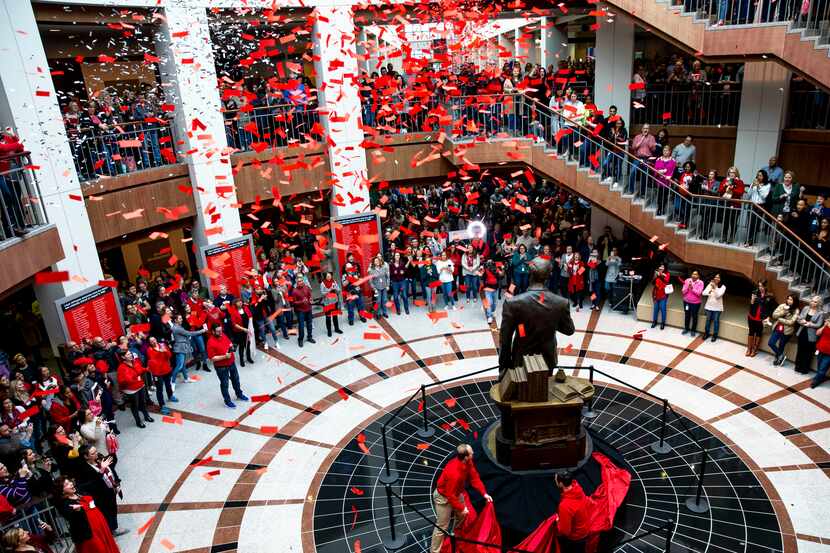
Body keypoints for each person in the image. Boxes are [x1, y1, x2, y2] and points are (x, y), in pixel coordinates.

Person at [499, 258, 575, 377]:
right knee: (544, 391)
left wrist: (503, 368)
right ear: (549, 275)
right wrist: (551, 320)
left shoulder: (513, 303)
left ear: (530, 273)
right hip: (548, 358)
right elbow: (569, 330)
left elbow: (505, 340)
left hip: (521, 359)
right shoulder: (561, 302)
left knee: (523, 393)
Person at [429, 444, 493, 553]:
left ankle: (455, 534)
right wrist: (462, 507)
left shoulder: (468, 462)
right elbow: (450, 495)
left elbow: (475, 478)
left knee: (462, 515)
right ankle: (434, 551)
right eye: (471, 452)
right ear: (466, 457)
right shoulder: (454, 472)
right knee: (442, 526)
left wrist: (484, 494)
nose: (473, 453)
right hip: (443, 498)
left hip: (456, 493)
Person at [54, 476, 120, 553]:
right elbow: (70, 518)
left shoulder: (78, 492)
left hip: (100, 525)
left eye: (70, 482)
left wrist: (101, 473)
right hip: (89, 532)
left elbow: (93, 483)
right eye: (67, 484)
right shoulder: (65, 504)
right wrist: (77, 512)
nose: (71, 484)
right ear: (62, 491)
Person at [76, 445, 122, 535]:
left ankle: (113, 527)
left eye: (96, 451)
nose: (96, 454)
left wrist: (116, 483)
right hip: (100, 496)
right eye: (93, 453)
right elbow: (90, 485)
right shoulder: (84, 469)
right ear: (86, 456)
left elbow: (111, 469)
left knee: (113, 509)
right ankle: (111, 530)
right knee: (107, 512)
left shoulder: (99, 458)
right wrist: (101, 470)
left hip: (110, 490)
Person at [205, 326, 249, 408]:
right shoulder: (210, 342)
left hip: (231, 363)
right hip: (221, 367)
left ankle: (239, 394)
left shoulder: (223, 335)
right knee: (225, 384)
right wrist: (224, 357)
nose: (220, 332)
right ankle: (227, 401)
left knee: (236, 379)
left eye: (221, 330)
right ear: (213, 332)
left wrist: (232, 347)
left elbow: (229, 343)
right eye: (218, 331)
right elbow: (212, 358)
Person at [555, 472, 591, 553]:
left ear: (561, 484)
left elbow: (565, 532)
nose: (555, 481)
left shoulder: (565, 506)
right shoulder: (577, 488)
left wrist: (557, 520)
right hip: (584, 531)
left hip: (576, 539)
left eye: (555, 480)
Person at [115, 352, 152, 429]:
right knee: (135, 406)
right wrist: (129, 378)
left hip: (140, 385)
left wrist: (146, 369)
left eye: (130, 353)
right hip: (131, 390)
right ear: (123, 357)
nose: (130, 355)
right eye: (128, 354)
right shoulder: (121, 367)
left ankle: (146, 416)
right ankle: (138, 421)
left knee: (143, 402)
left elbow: (140, 369)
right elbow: (121, 380)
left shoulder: (135, 362)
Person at [169, 313, 205, 382]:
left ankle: (186, 378)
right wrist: (202, 331)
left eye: (181, 318)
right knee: (179, 366)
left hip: (181, 347)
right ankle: (172, 381)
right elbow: (189, 333)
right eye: (180, 319)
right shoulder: (177, 328)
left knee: (182, 365)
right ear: (176, 320)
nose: (181, 320)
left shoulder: (177, 327)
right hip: (180, 348)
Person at [145, 337, 176, 415]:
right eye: (151, 341)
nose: (153, 342)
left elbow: (169, 355)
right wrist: (159, 352)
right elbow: (153, 359)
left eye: (154, 340)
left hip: (166, 369)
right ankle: (162, 405)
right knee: (159, 389)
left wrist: (165, 351)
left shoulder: (162, 345)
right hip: (157, 372)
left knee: (168, 384)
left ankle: (170, 396)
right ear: (150, 343)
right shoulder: (149, 350)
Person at [766, 294, 799, 367]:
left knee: (781, 345)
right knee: (771, 343)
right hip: (778, 328)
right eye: (788, 299)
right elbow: (774, 315)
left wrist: (780, 319)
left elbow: (791, 322)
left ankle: (778, 358)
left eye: (791, 300)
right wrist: (783, 312)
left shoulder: (796, 310)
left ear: (795, 301)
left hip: (787, 331)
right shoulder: (782, 306)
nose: (789, 301)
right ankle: (781, 356)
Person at [794, 296, 824, 374]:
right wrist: (802, 321)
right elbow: (799, 318)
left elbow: (819, 325)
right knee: (800, 350)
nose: (813, 303)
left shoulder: (820, 313)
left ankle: (804, 369)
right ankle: (797, 367)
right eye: (812, 301)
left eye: (815, 302)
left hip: (811, 335)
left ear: (819, 303)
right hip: (802, 332)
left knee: (808, 353)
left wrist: (809, 324)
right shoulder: (806, 308)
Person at [746, 282, 772, 357]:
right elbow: (751, 304)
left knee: (758, 333)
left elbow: (770, 309)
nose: (760, 288)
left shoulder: (769, 296)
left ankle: (754, 349)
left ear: (766, 287)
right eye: (759, 286)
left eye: (762, 286)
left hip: (761, 319)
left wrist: (768, 317)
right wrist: (752, 300)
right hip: (752, 316)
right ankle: (749, 349)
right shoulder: (755, 293)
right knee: (751, 332)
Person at [228, 299, 255, 367]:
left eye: (241, 301)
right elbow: (234, 324)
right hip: (239, 332)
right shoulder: (233, 312)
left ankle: (249, 358)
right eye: (238, 302)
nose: (240, 302)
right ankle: (241, 360)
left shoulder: (245, 308)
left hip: (247, 330)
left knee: (248, 345)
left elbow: (250, 317)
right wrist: (243, 329)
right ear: (235, 304)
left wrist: (251, 327)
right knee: (242, 346)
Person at [291, 277, 315, 347]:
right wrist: (301, 302)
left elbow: (310, 296)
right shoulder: (294, 291)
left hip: (308, 309)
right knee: (301, 326)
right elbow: (294, 303)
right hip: (300, 311)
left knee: (309, 324)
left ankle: (309, 337)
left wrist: (311, 300)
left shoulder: (307, 287)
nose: (300, 282)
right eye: (299, 281)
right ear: (296, 283)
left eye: (301, 281)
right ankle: (300, 339)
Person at [702, 274, 725, 342]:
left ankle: (715, 335)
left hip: (717, 308)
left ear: (721, 279)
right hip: (709, 306)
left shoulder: (723, 287)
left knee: (716, 321)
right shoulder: (710, 284)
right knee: (708, 321)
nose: (716, 278)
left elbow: (718, 296)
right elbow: (703, 293)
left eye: (718, 277)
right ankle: (706, 333)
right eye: (715, 277)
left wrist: (714, 288)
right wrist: (709, 290)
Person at [320, 272, 344, 337]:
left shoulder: (334, 281)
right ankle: (329, 331)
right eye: (328, 276)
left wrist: (336, 289)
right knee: (328, 318)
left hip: (334, 301)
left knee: (335, 316)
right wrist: (329, 290)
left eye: (330, 276)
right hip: (327, 303)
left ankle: (337, 329)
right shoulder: (322, 284)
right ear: (325, 277)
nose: (329, 277)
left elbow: (339, 290)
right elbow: (322, 293)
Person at [681, 270, 704, 336]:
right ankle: (686, 328)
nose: (694, 275)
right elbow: (683, 292)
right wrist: (688, 288)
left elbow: (699, 293)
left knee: (694, 316)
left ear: (698, 276)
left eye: (696, 274)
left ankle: (693, 330)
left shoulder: (701, 283)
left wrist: (692, 288)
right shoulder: (687, 280)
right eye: (693, 274)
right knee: (687, 315)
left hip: (695, 303)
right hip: (686, 302)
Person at [481, 259, 502, 324]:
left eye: (490, 264)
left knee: (494, 303)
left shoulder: (497, 270)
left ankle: (492, 311)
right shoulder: (485, 270)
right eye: (488, 264)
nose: (489, 265)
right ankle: (489, 316)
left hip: (495, 289)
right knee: (489, 302)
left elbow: (500, 277)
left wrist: (502, 271)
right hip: (488, 289)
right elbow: (482, 278)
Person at [650, 264, 670, 330]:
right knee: (655, 309)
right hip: (656, 294)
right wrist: (656, 276)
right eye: (660, 266)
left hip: (663, 294)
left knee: (663, 309)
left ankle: (663, 323)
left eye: (663, 267)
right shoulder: (656, 273)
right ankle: (654, 322)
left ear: (665, 268)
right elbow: (652, 282)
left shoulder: (667, 274)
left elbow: (666, 281)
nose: (661, 268)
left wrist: (661, 275)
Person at [811, 319, 830, 388]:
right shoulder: (826, 325)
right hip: (821, 348)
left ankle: (816, 381)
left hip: (829, 353)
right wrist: (824, 326)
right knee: (819, 366)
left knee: (823, 367)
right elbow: (817, 333)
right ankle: (820, 377)